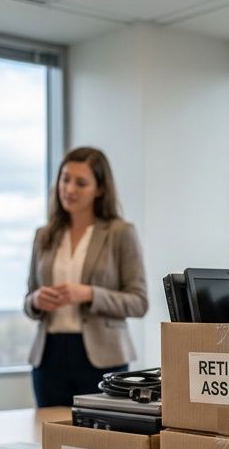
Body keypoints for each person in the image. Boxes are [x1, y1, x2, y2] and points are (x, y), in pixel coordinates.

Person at [25, 147, 147, 407]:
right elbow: (28, 297)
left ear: (100, 189)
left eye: (81, 183)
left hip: (102, 356)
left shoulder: (119, 233)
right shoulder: (44, 235)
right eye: (65, 179)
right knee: (50, 433)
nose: (69, 189)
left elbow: (139, 301)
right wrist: (36, 300)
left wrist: (90, 294)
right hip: (49, 354)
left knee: (103, 439)